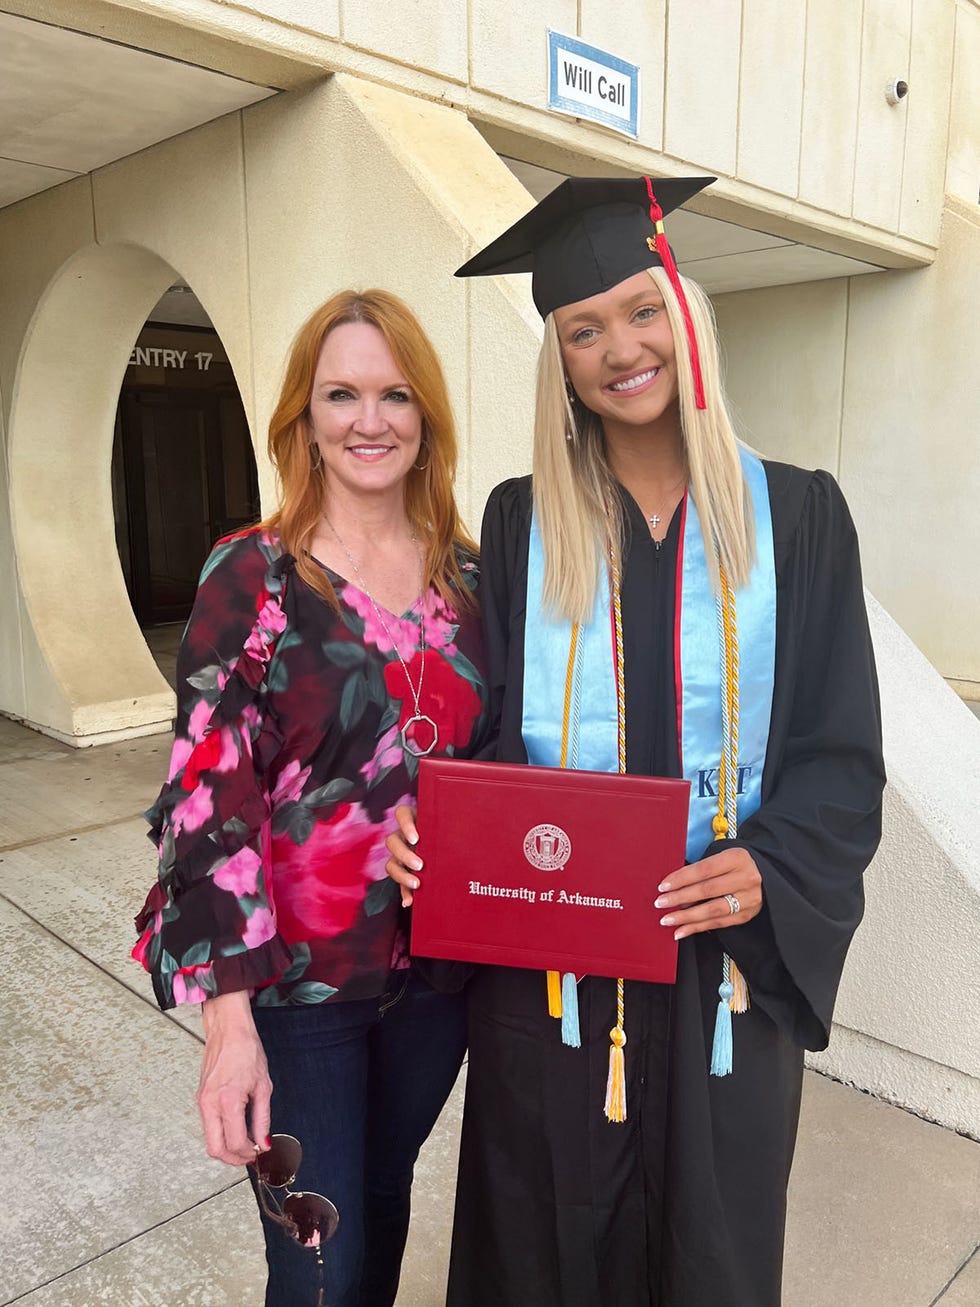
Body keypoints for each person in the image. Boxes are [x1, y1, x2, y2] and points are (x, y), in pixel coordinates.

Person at [385, 177, 885, 1306]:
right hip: (553, 983)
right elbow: (494, 733)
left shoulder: (797, 516)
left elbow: (838, 752)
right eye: (582, 328)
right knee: (541, 1245)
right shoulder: (521, 522)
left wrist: (770, 868)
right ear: (557, 360)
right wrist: (441, 829)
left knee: (710, 1253)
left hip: (720, 977)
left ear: (685, 317)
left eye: (640, 310)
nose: (619, 346)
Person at [132, 288, 490, 1307]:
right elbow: (207, 797)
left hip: (437, 976)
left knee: (380, 1200)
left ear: (426, 418)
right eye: (340, 393)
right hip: (294, 989)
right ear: (303, 415)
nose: (367, 420)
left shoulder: (473, 581)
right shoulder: (252, 574)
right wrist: (226, 1023)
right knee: (317, 1258)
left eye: (393, 394)